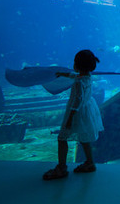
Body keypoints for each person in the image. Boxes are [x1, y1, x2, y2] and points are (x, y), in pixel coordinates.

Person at [43, 49, 104, 180]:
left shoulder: (78, 82)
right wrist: (62, 74)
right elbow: (75, 76)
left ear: (77, 64)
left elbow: (77, 100)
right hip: (87, 111)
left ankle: (61, 168)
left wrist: (70, 118)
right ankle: (90, 163)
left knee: (62, 138)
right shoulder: (87, 77)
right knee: (84, 137)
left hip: (76, 113)